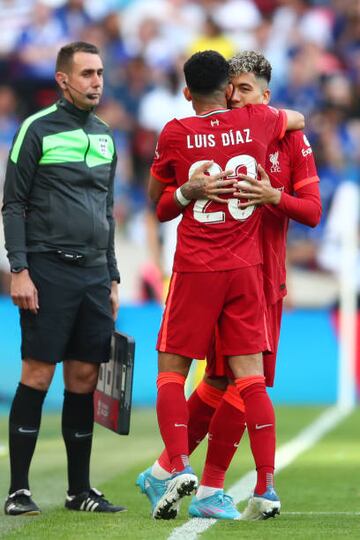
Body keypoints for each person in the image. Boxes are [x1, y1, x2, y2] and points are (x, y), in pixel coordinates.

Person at [137, 50, 321, 520]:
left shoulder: (288, 138)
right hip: (233, 270)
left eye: (246, 89)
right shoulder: (255, 126)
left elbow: (313, 211)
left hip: (263, 276)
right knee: (228, 380)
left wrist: (274, 195)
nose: (236, 96)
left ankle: (175, 472)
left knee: (227, 380)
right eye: (232, 87)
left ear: (264, 95)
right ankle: (196, 479)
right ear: (223, 88)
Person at [2, 41, 125, 516]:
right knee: (38, 373)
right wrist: (20, 270)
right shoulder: (35, 130)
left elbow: (107, 212)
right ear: (63, 80)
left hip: (94, 274)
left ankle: (80, 492)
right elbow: (13, 203)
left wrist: (112, 277)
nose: (97, 81)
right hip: (47, 269)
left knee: (84, 377)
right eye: (88, 73)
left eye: (100, 72)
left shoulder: (105, 135)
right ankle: (18, 491)